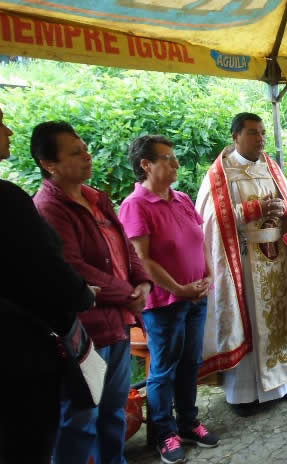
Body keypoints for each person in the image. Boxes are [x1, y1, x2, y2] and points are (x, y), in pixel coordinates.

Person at [31, 121, 153, 464]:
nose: (87, 156)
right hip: (85, 331)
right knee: (81, 419)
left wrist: (142, 282)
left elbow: (125, 246)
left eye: (85, 148)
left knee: (113, 412)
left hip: (116, 323)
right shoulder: (49, 207)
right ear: (49, 164)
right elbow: (74, 267)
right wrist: (129, 293)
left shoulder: (95, 197)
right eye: (75, 152)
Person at [196, 112, 287, 416]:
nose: (261, 139)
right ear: (235, 136)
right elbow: (211, 220)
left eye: (262, 133)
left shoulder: (271, 167)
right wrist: (253, 210)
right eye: (252, 133)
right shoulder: (221, 174)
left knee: (280, 319)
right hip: (246, 263)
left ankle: (285, 384)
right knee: (250, 321)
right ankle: (244, 395)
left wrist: (282, 209)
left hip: (278, 258)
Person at [0, 108, 96, 464]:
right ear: (49, 164)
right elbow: (52, 269)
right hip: (20, 356)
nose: (8, 131)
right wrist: (85, 294)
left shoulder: (97, 198)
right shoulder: (13, 201)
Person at [119, 135, 218, 463]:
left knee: (191, 363)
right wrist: (178, 288)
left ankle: (189, 423)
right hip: (164, 304)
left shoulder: (182, 199)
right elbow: (142, 259)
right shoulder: (136, 205)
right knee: (164, 370)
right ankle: (164, 433)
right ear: (146, 165)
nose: (176, 163)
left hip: (196, 297)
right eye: (167, 158)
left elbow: (200, 240)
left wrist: (208, 275)